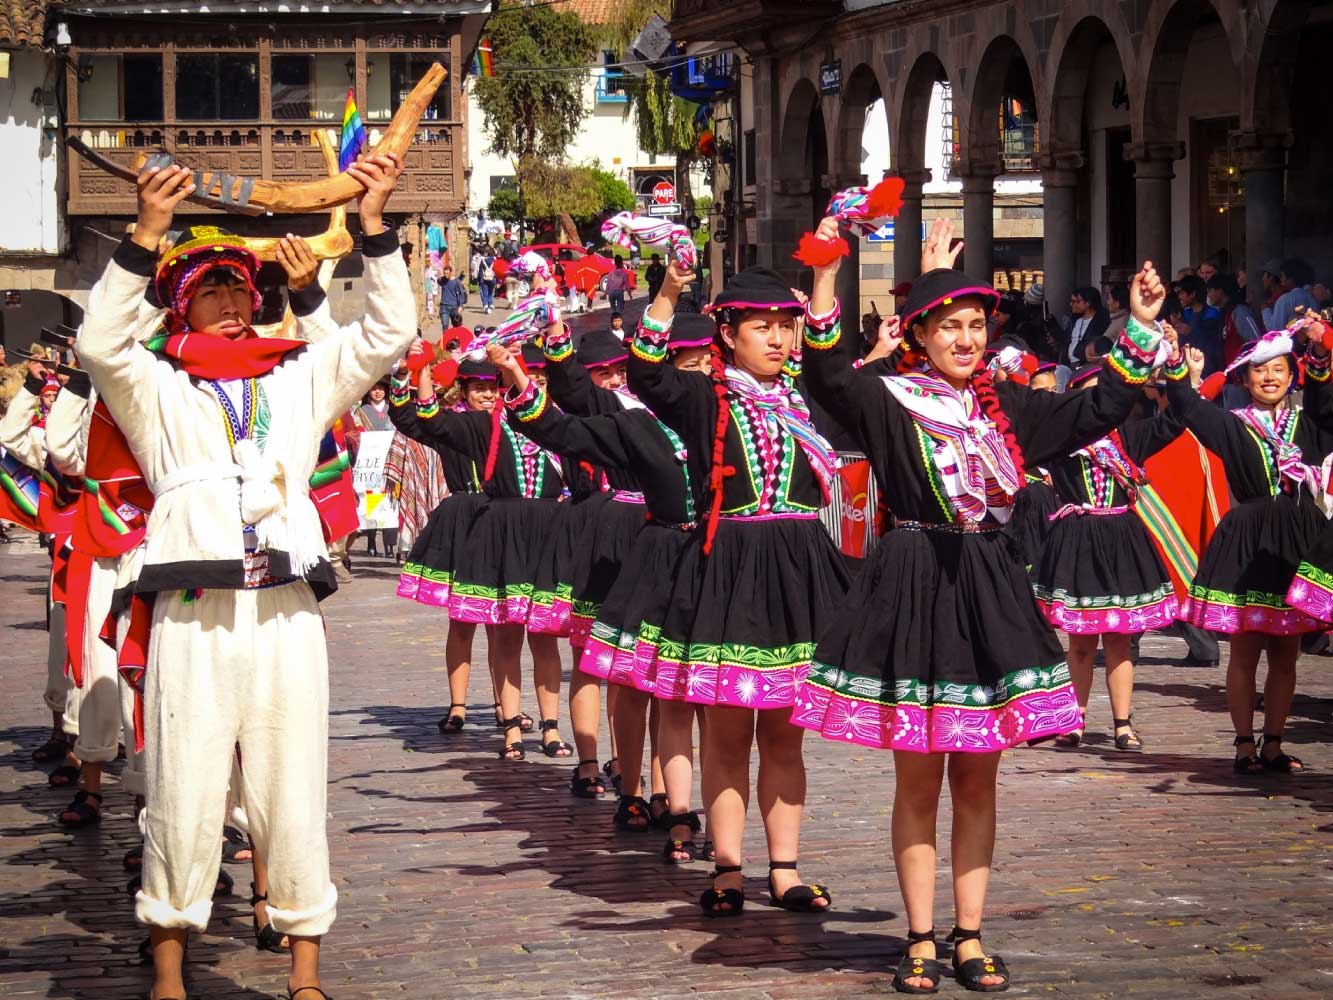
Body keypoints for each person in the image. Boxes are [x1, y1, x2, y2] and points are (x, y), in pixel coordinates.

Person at [794, 216, 1167, 992]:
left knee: (977, 779)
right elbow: (827, 376)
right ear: (919, 335)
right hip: (914, 586)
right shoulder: (888, 400)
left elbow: (1094, 413)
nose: (965, 340)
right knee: (916, 780)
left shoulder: (1010, 411)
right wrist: (828, 271)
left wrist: (1138, 325)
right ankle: (920, 938)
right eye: (949, 327)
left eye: (974, 326)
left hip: (990, 589)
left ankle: (969, 934)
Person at [77, 153, 414, 1000]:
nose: (232, 300)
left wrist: (373, 227)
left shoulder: (299, 376)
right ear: (180, 304)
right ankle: (168, 967)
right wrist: (146, 233)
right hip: (194, 608)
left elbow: (386, 337)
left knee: (291, 782)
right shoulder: (153, 385)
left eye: (240, 289)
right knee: (183, 784)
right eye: (211, 290)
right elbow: (97, 341)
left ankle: (304, 970)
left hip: (285, 608)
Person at [627, 260, 850, 918]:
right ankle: (728, 866)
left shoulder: (810, 400)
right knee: (726, 735)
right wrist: (667, 293)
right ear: (728, 335)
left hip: (799, 574)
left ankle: (784, 869)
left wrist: (828, 276)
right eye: (763, 328)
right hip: (730, 572)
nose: (779, 340)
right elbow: (646, 374)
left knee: (784, 736)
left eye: (786, 327)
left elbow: (846, 377)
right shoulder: (706, 399)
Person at [391, 345, 570, 759]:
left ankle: (544, 724)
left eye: (494, 387)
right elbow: (421, 421)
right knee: (474, 623)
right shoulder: (476, 426)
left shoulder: (554, 425)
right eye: (480, 388)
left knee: (541, 637)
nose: (489, 394)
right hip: (484, 526)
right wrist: (417, 371)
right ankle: (479, 713)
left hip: (540, 533)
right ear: (465, 391)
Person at [1170, 331, 1331, 775]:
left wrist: (1320, 349)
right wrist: (1186, 372)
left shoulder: (1310, 424)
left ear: (1292, 376)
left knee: (1286, 655)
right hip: (1249, 544)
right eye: (1261, 370)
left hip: (1297, 542)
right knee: (1245, 651)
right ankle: (1243, 743)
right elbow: (1186, 407)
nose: (1270, 377)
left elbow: (1324, 400)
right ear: (1246, 377)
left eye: (1279, 369)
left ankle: (1274, 743)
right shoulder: (1233, 423)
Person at [1030, 364, 1184, 751]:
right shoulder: (1059, 440)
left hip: (1119, 542)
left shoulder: (1129, 438)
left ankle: (1122, 724)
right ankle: (1074, 721)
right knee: (1080, 643)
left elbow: (1177, 420)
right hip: (1078, 542)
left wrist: (1184, 378)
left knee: (1120, 641)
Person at [1208, 273, 1262, 366]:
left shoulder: (1240, 312)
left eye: (1210, 291)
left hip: (1243, 373)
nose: (1208, 295)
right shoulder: (1225, 313)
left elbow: (1256, 341)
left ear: (1220, 291)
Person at [1177, 274, 1224, 375]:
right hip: (1186, 367)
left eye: (1182, 293)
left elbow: (1212, 341)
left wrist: (1191, 332)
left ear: (1193, 293)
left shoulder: (1212, 314)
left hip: (1208, 367)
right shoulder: (1186, 313)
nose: (1179, 297)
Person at [1271, 257, 1318, 330]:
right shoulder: (1312, 299)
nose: (1281, 280)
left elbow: (1275, 330)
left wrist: (1265, 311)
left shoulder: (1284, 300)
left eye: (1283, 276)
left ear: (1291, 279)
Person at [1065, 286, 1110, 365]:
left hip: (1087, 363)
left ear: (1088, 303)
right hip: (1070, 363)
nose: (1072, 304)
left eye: (1078, 301)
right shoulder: (1075, 320)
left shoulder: (1101, 321)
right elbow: (1066, 340)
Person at [478, 246, 498, 314]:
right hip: (492, 278)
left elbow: (480, 271)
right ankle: (490, 304)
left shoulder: (483, 260)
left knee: (485, 293)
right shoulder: (494, 260)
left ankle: (486, 305)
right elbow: (497, 270)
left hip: (484, 278)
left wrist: (480, 279)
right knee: (490, 292)